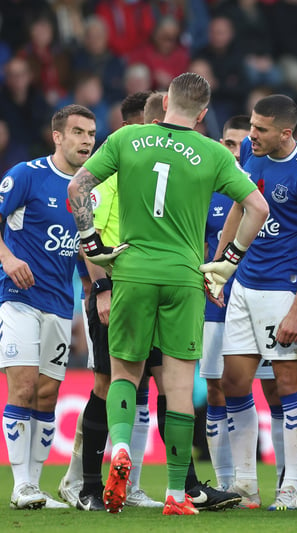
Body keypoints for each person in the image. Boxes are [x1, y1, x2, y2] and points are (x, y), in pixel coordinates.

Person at [67, 72, 269, 516]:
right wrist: (230, 259)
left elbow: (77, 186)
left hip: (132, 270)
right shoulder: (215, 152)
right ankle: (177, 494)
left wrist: (92, 243)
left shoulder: (128, 139)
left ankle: (120, 449)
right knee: (178, 386)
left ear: (165, 104)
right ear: (202, 113)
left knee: (124, 373)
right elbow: (257, 206)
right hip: (183, 275)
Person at [216, 94, 297, 511]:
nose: (251, 135)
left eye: (260, 129)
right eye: (251, 126)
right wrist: (220, 265)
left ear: (286, 132)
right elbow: (238, 207)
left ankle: (292, 486)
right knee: (233, 382)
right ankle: (246, 485)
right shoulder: (248, 153)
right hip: (244, 285)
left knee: (286, 386)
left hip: (282, 291)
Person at [57, 91, 163, 512]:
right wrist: (101, 288)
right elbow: (90, 235)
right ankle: (85, 486)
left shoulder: (149, 171)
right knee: (106, 385)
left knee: (146, 386)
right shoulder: (109, 170)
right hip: (114, 291)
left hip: (150, 290)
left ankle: (132, 483)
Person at [1, 104, 96, 510]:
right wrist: (7, 258)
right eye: (78, 132)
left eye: (91, 133)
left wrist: (95, 287)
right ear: (57, 136)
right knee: (21, 387)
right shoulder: (26, 175)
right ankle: (20, 484)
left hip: (61, 304)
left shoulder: (87, 189)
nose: (87, 141)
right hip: (18, 300)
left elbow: (84, 247)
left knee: (46, 395)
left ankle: (35, 487)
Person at [201, 114, 279, 498]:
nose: (232, 151)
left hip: (262, 299)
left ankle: (284, 482)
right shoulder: (206, 190)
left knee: (277, 388)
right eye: (227, 144)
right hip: (216, 303)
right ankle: (228, 483)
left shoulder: (262, 188)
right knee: (218, 388)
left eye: (239, 145)